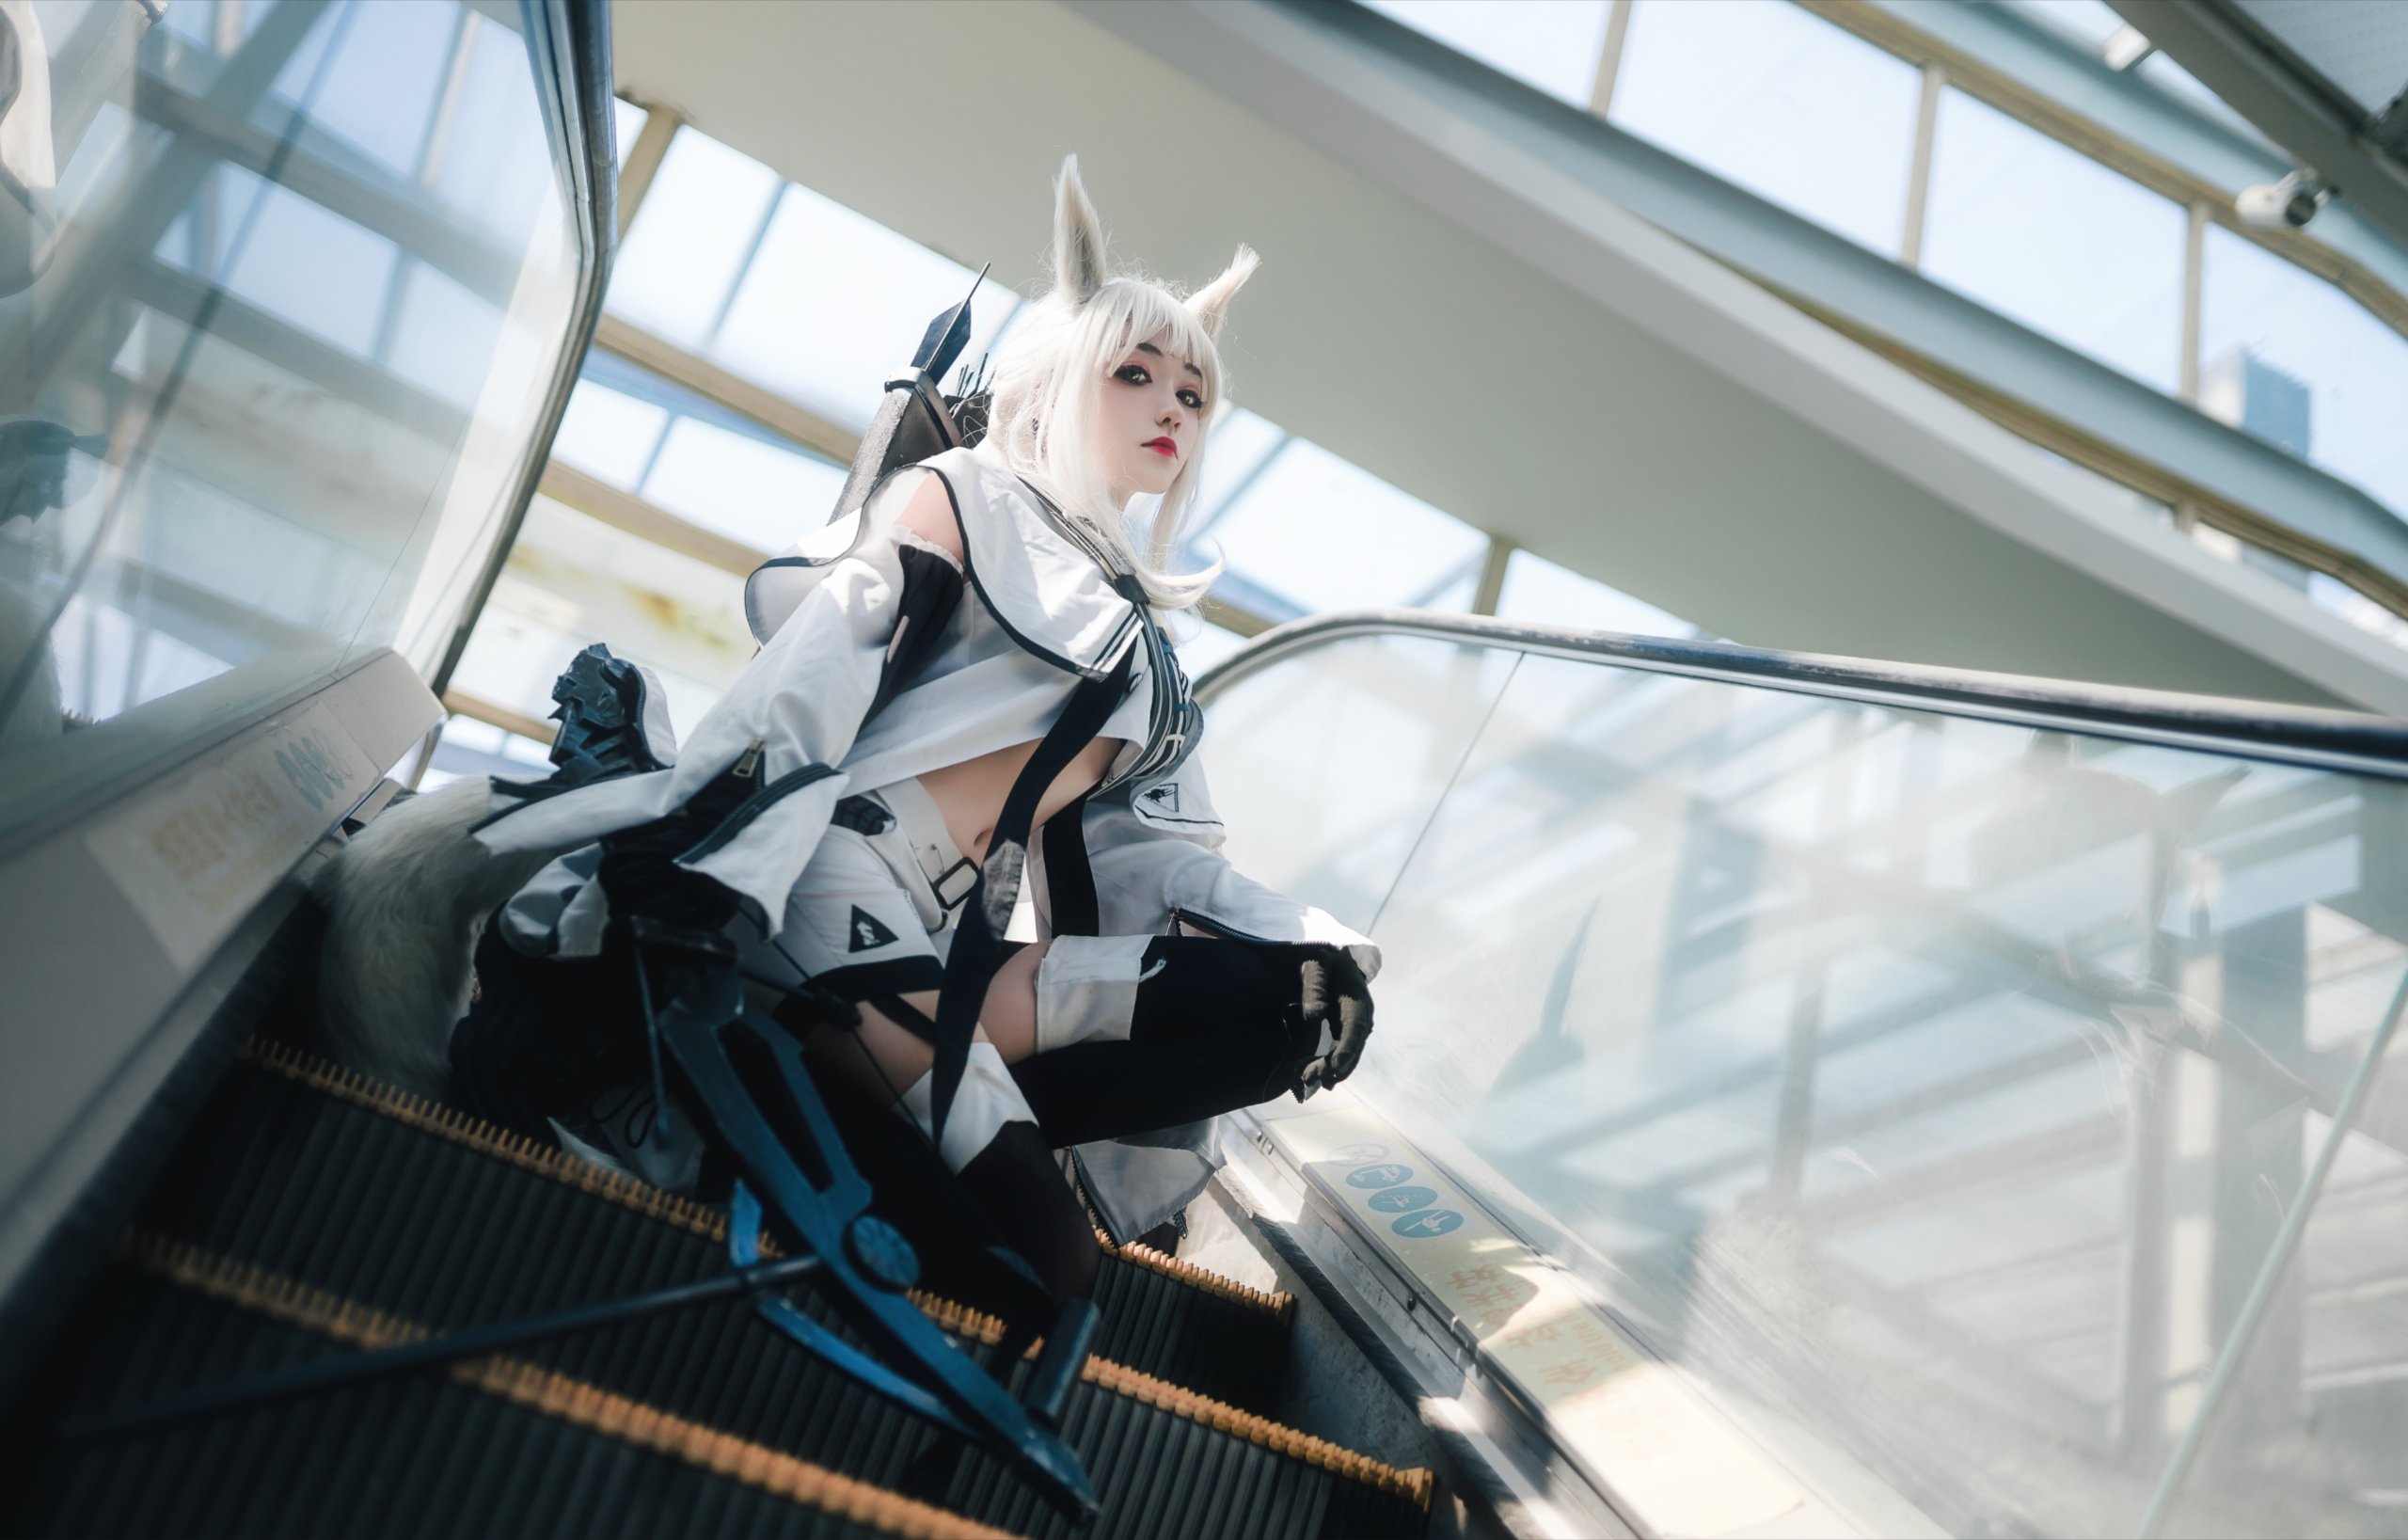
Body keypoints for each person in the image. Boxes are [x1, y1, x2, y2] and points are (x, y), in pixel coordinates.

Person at [318, 156, 1376, 1318]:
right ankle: (698, 1079)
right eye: (1136, 373)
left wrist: (1307, 945)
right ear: (1056, 377)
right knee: (1050, 1266)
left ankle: (763, 1104)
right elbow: (826, 656)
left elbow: (1153, 864)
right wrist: (722, 851)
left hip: (951, 947)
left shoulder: (1151, 654)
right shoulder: (965, 493)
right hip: (833, 882)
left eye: (1192, 393)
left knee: (1267, 1006)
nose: (1171, 406)